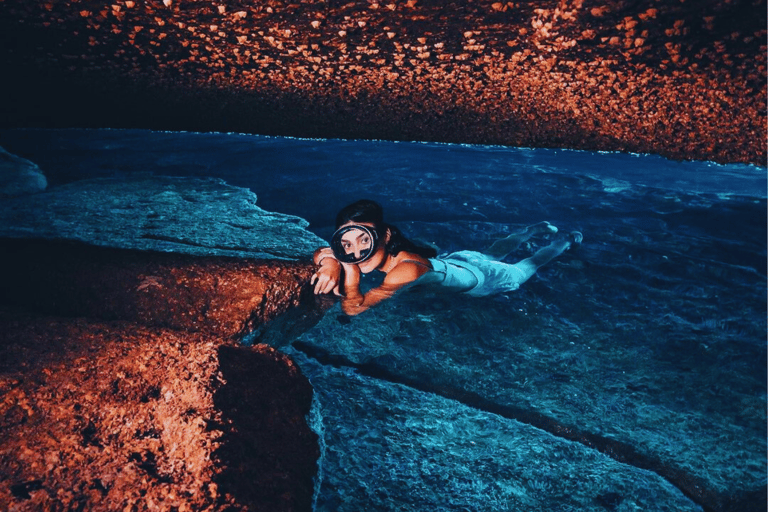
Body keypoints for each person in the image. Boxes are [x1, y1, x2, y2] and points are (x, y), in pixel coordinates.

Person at [311, 199, 582, 316]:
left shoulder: (407, 269)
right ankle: (533, 229)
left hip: (482, 280)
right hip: (458, 261)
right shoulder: (391, 254)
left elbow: (354, 308)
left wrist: (349, 270)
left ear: (387, 235)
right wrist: (331, 261)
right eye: (345, 243)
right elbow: (321, 251)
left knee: (529, 264)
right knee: (493, 251)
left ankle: (566, 240)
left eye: (364, 239)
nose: (357, 252)